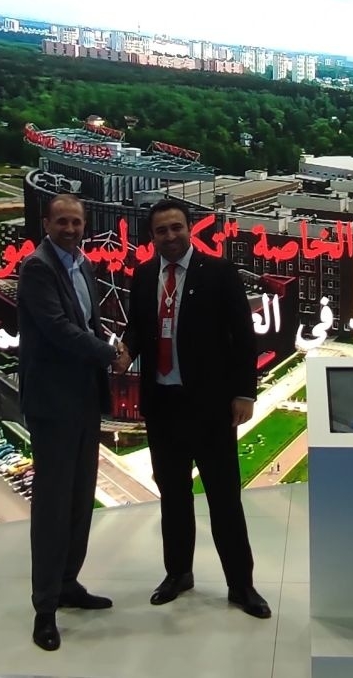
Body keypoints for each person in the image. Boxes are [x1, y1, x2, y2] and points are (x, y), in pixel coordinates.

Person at [124, 199, 272, 620]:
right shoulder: (144, 275)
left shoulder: (219, 273)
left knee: (224, 500)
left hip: (210, 408)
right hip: (163, 406)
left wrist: (244, 393)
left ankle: (241, 586)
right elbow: (139, 328)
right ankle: (178, 574)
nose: (170, 236)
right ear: (151, 237)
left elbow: (243, 336)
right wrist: (125, 351)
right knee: (173, 497)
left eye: (176, 228)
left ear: (190, 229)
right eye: (161, 230)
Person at [16, 194, 128, 651]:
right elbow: (59, 328)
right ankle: (44, 608)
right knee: (53, 506)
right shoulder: (37, 268)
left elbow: (88, 323)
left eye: (76, 222)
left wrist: (110, 347)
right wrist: (109, 355)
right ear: (46, 223)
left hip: (83, 400)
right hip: (53, 404)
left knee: (80, 501)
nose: (70, 228)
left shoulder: (84, 265)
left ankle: (67, 583)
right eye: (61, 221)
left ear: (85, 225)